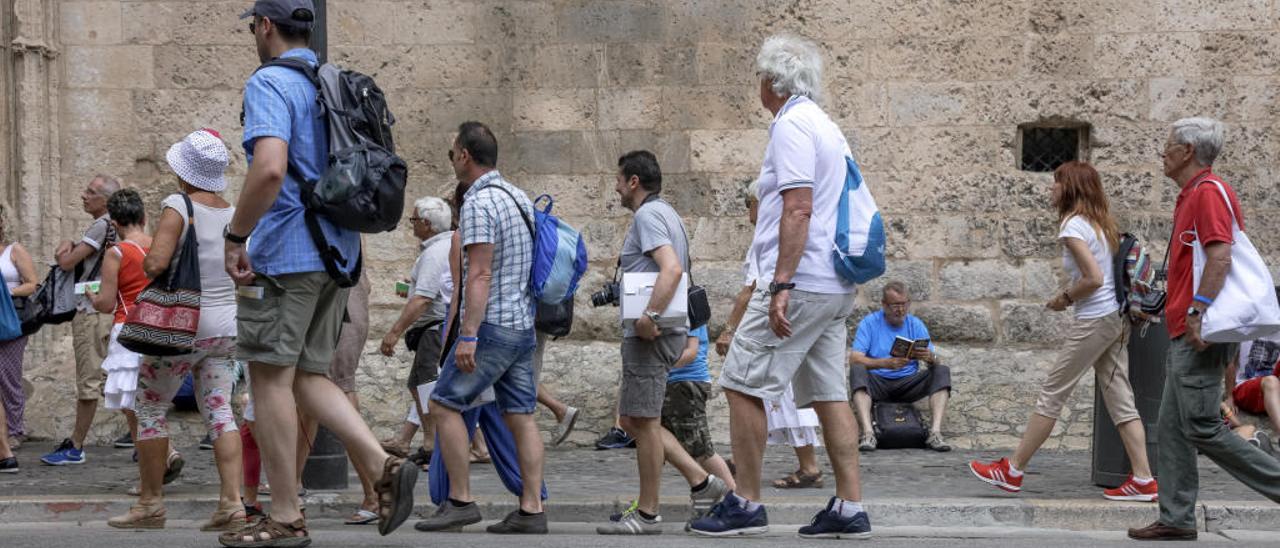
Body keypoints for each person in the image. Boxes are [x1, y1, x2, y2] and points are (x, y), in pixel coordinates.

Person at [221, 2, 415, 545]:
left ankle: (284, 514)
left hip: (286, 255)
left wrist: (236, 236)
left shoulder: (270, 84)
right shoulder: (328, 81)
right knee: (309, 378)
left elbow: (270, 168)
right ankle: (382, 465)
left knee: (270, 379)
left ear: (264, 26)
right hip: (338, 253)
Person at [691, 34, 869, 539]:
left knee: (742, 385)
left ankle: (745, 500)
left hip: (802, 279)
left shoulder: (791, 126)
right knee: (830, 393)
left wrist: (782, 284)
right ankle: (849, 507)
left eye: (759, 76)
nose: (757, 85)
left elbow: (798, 206)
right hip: (834, 282)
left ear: (772, 81)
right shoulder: (828, 127)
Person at [1129, 117, 1280, 541]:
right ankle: (1176, 518)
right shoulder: (1192, 193)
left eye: (1169, 144)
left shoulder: (1208, 194)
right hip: (1186, 325)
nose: (1163, 151)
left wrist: (1197, 311)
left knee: (1200, 425)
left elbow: (1220, 257)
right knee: (1174, 427)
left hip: (1199, 328)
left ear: (1188, 151)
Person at [970, 161, 1154, 500]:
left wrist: (1064, 298)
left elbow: (1094, 278)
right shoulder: (1101, 224)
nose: (1050, 189)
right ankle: (1142, 478)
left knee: (1053, 392)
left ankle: (1012, 470)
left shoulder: (1073, 225)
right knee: (1121, 400)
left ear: (1070, 188)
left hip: (1095, 320)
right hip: (1116, 319)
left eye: (1056, 183)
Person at [413, 121, 546, 535]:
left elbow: (480, 273)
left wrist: (468, 334)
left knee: (443, 404)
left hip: (492, 326)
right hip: (524, 323)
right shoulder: (520, 197)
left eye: (453, 153)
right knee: (521, 415)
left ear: (465, 156)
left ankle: (460, 500)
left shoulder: (478, 202)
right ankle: (531, 509)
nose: (452, 159)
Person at [108, 130, 244, 530]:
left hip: (182, 324)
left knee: (150, 404)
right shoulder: (233, 211)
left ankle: (150, 503)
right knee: (219, 408)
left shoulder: (177, 204)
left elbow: (155, 263)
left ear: (183, 170)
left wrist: (153, 259)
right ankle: (232, 503)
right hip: (225, 325)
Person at [597, 151, 729, 535]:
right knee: (640, 421)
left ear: (634, 181)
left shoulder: (648, 215)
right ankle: (702, 483)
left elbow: (671, 268)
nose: (617, 186)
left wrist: (648, 317)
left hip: (651, 335)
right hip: (662, 332)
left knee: (644, 422)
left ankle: (649, 513)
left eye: (620, 179)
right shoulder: (667, 213)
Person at [716, 181, 823, 488]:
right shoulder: (784, 234)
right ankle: (744, 458)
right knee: (773, 395)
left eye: (749, 204)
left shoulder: (769, 237)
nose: (748, 211)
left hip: (773, 326)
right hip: (791, 321)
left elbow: (749, 292)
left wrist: (728, 329)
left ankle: (807, 465)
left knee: (753, 390)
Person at [41, 174, 120, 466]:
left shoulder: (102, 225)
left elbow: (67, 262)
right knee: (116, 379)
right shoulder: (118, 225)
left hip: (91, 310)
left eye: (91, 192)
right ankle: (152, 442)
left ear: (106, 200)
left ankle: (76, 446)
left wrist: (64, 247)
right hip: (110, 309)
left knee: (88, 381)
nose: (84, 196)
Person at [83, 189, 156, 464]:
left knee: (131, 405)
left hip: (129, 330)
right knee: (152, 400)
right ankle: (160, 458)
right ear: (144, 217)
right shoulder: (158, 246)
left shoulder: (116, 253)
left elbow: (105, 303)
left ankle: (158, 462)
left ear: (114, 224)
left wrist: (92, 295)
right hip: (159, 328)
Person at [380, 196, 454, 460]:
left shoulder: (435, 252)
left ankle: (434, 446)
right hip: (435, 328)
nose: (411, 224)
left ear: (426, 223)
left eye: (413, 219)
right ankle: (431, 443)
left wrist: (394, 332)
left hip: (434, 328)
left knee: (427, 387)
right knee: (420, 385)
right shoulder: (443, 247)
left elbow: (423, 299)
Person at [849, 282, 952, 452]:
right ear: (884, 305)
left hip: (908, 383)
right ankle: (868, 433)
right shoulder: (870, 323)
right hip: (878, 383)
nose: (901, 310)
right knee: (857, 369)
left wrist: (930, 357)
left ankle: (935, 433)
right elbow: (854, 358)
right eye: (895, 305)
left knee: (941, 370)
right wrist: (884, 363)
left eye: (904, 304)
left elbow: (935, 359)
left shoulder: (915, 324)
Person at [0, 202, 38, 451]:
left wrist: (4, 291)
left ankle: (15, 430)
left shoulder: (14, 251)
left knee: (9, 376)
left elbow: (32, 283)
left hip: (11, 319)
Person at [1225, 337, 1280, 455]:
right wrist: (1229, 396)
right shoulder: (1244, 330)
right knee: (1271, 381)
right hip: (1246, 387)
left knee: (1272, 381)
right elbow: (1231, 363)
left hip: (1273, 389)